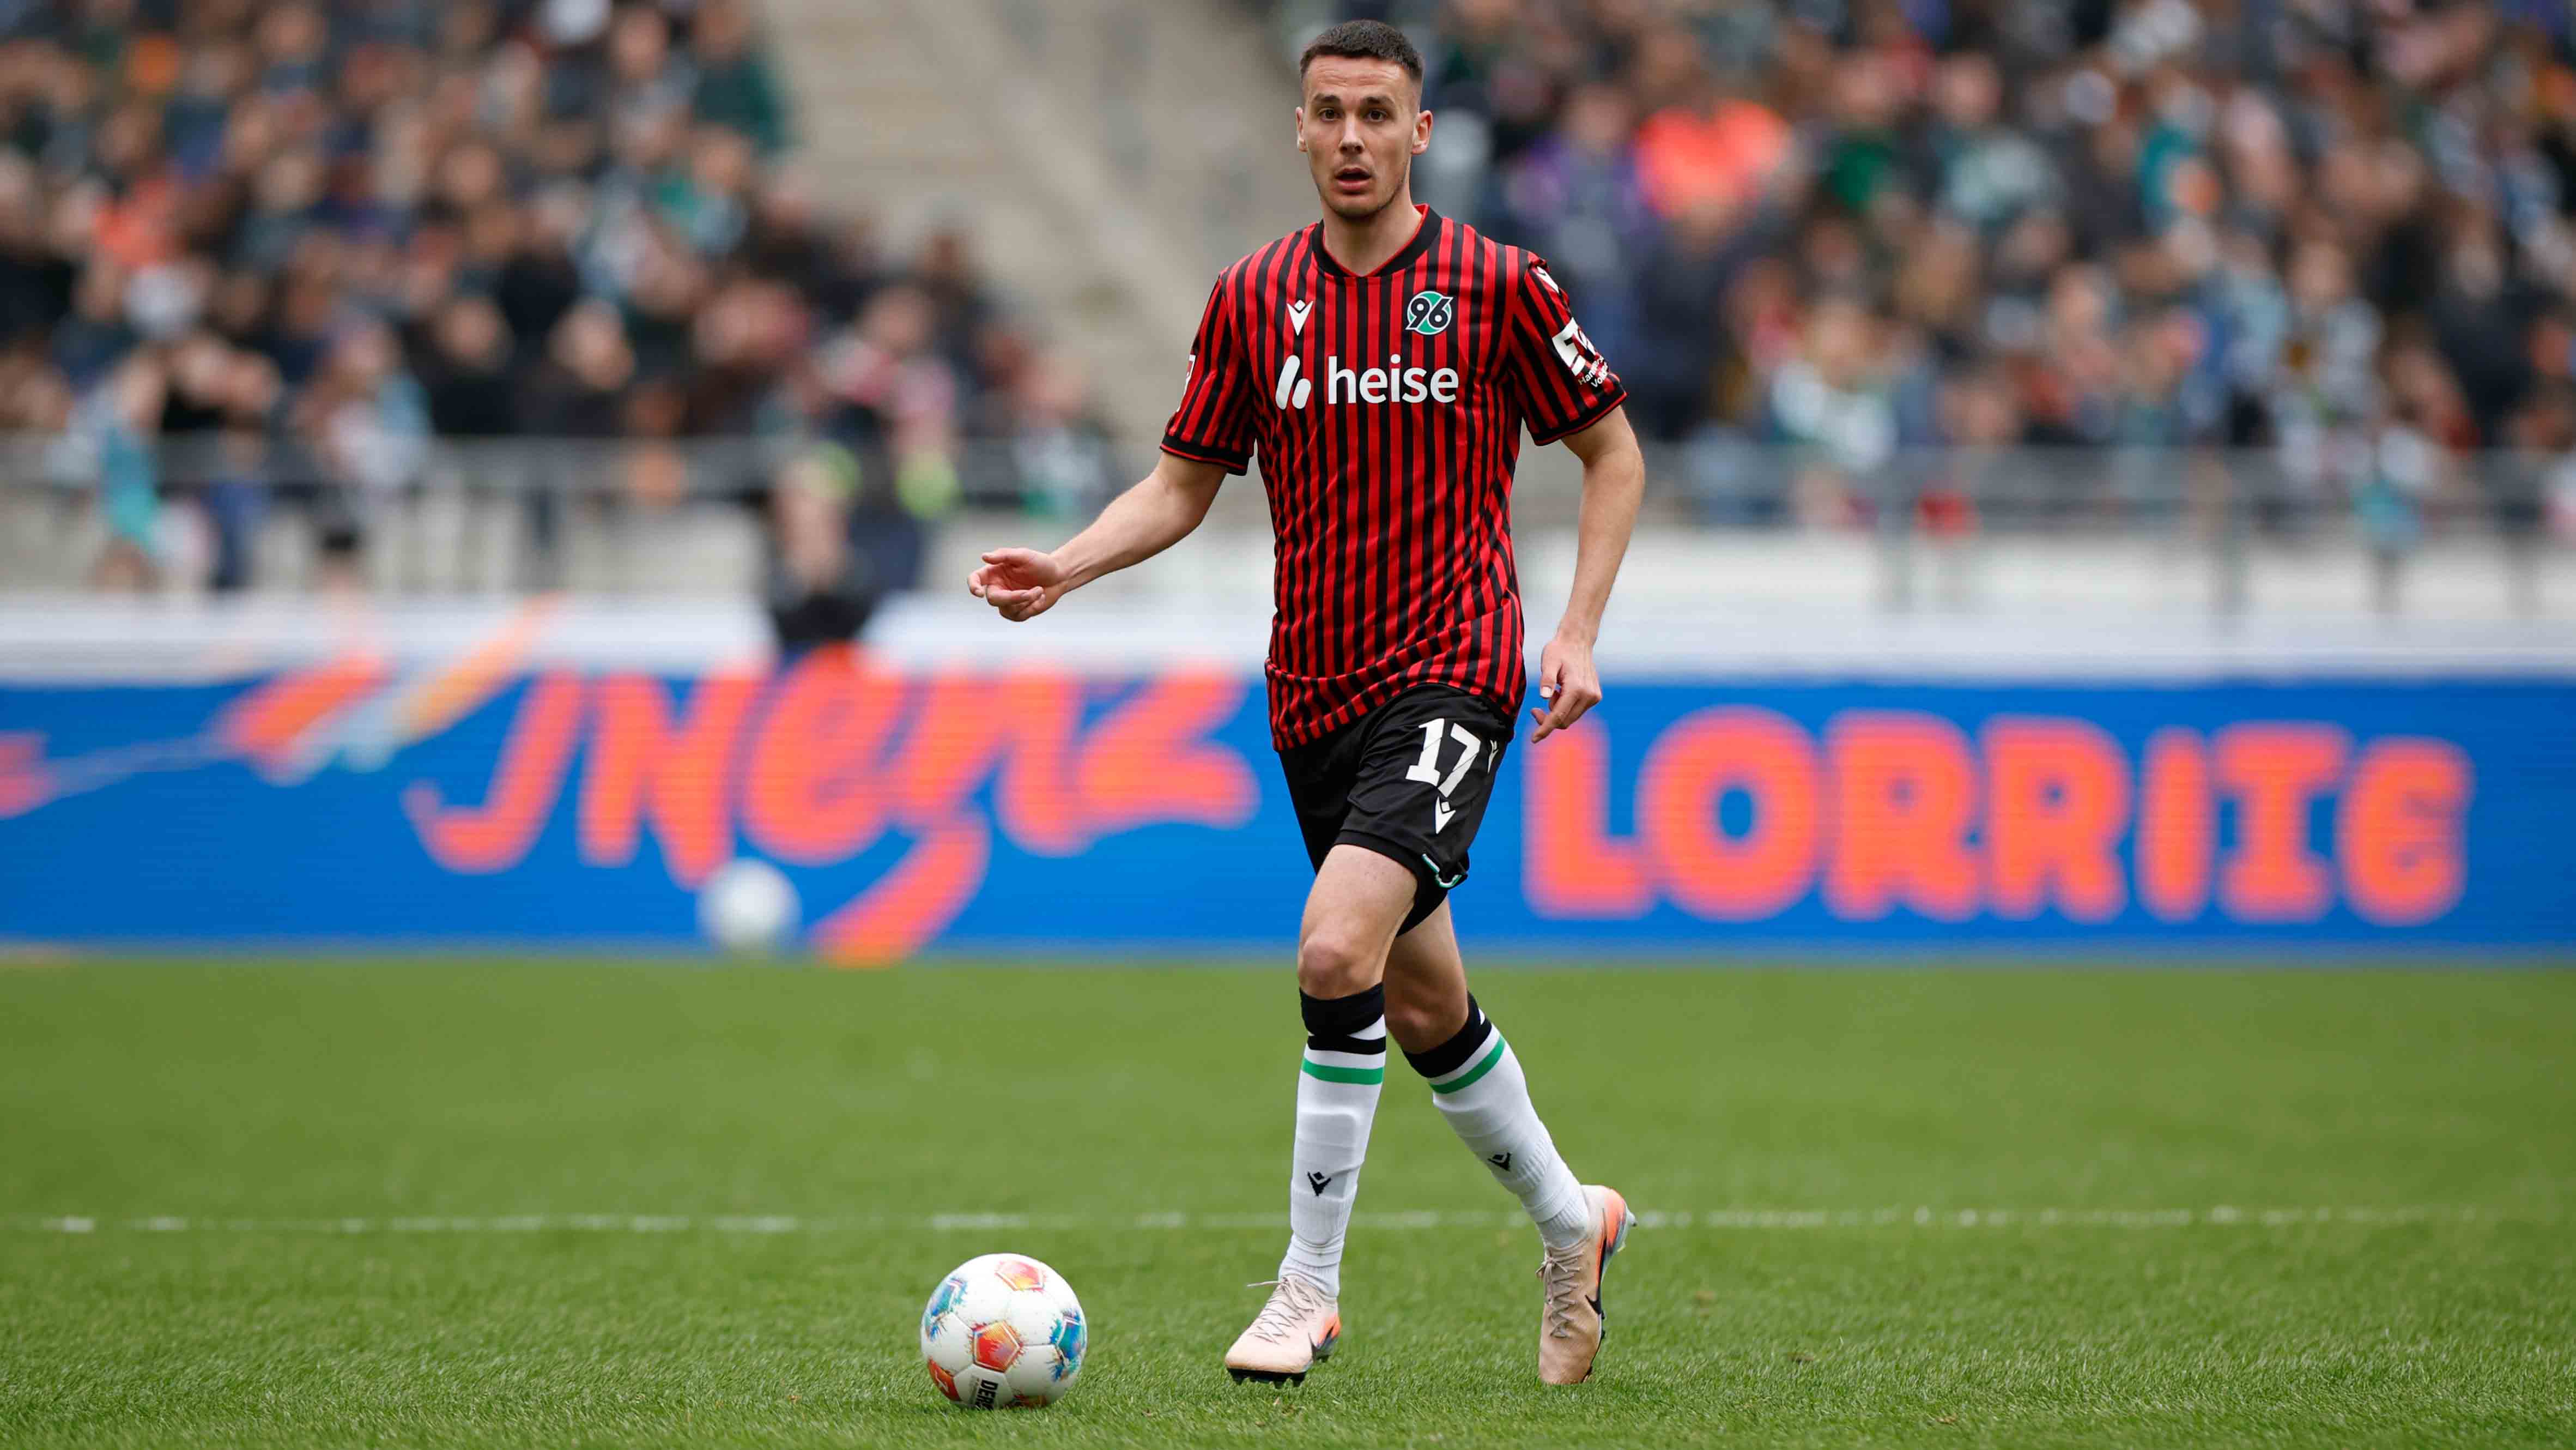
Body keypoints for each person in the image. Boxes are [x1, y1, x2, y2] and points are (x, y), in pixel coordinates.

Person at [966, 20, 1646, 1389]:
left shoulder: (1499, 286)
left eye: (1376, 115)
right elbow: (1180, 484)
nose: (1350, 138)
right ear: (1298, 129)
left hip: (1455, 666)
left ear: (1420, 134)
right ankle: (1575, 1223)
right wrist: (1069, 567)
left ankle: (1305, 1290)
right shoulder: (1250, 298)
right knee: (1418, 1000)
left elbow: (1612, 453)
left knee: (1335, 949)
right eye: (1328, 113)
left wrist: (1572, 631)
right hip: (1311, 692)